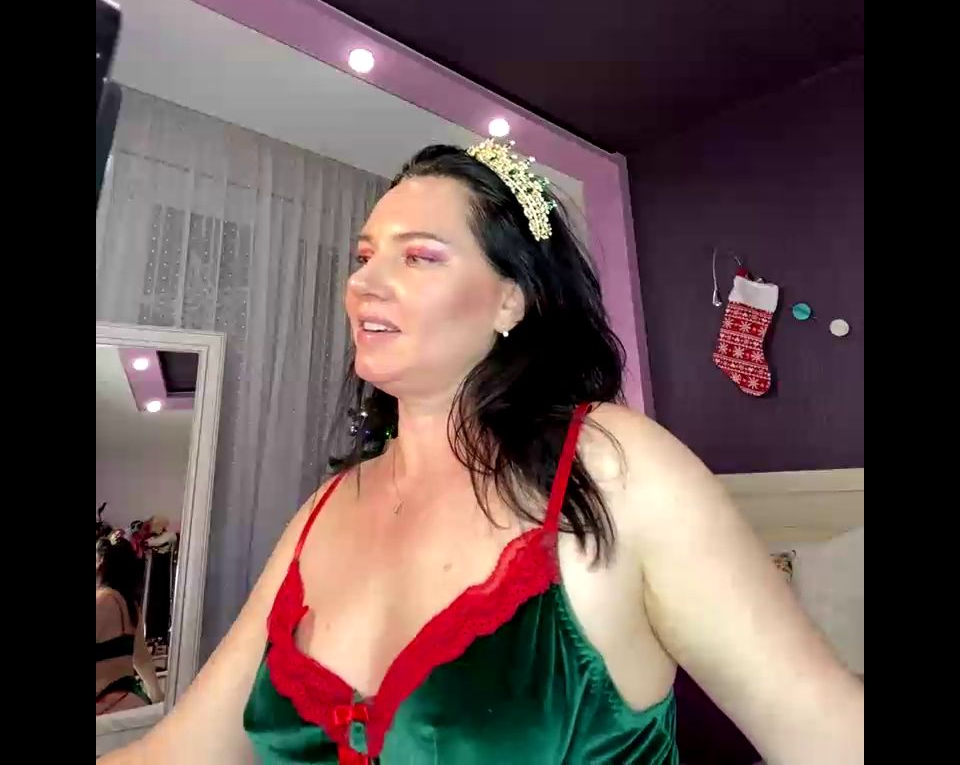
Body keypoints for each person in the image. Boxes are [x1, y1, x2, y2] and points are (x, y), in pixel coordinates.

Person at [103, 141, 863, 763]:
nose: (364, 282)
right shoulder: (322, 511)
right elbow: (181, 753)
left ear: (510, 299)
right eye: (364, 255)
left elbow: (830, 735)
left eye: (419, 257)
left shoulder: (612, 467)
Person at [97, 535, 163, 714]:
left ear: (100, 561)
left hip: (104, 706)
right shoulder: (130, 605)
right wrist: (157, 696)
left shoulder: (100, 601)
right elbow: (141, 659)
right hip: (131, 700)